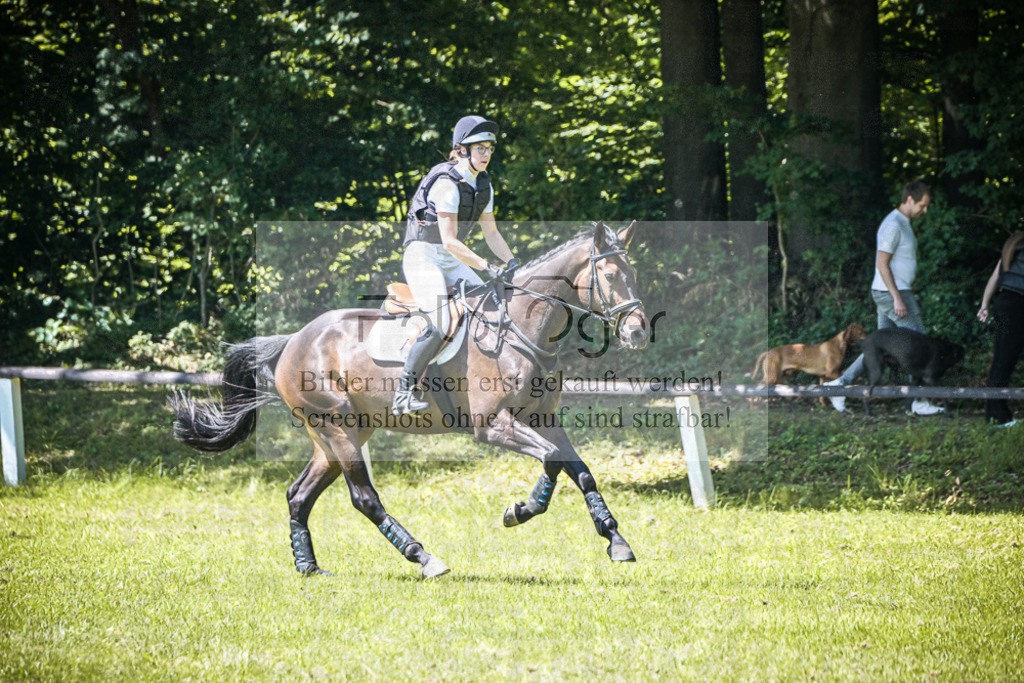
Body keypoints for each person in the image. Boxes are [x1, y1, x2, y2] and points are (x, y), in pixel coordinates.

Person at [392, 115, 518, 416]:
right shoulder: (447, 184)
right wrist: (486, 266)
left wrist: (512, 261)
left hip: (451, 258)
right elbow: (449, 241)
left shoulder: (483, 185)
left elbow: (491, 233)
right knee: (440, 322)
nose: (486, 154)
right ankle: (403, 392)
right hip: (423, 256)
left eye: (490, 149)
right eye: (480, 148)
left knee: (491, 306)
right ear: (463, 149)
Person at [825, 180, 945, 415]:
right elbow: (882, 263)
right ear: (909, 200)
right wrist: (897, 297)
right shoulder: (893, 224)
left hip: (894, 291)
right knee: (920, 344)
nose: (925, 210)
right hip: (893, 294)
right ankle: (917, 401)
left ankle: (839, 385)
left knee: (877, 346)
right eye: (922, 205)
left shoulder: (903, 223)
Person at [976, 230, 1024, 428]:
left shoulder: (1014, 243)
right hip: (1017, 305)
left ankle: (996, 414)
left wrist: (984, 304)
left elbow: (995, 277)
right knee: (1004, 362)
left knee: (1001, 361)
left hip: (1004, 302)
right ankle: (997, 417)